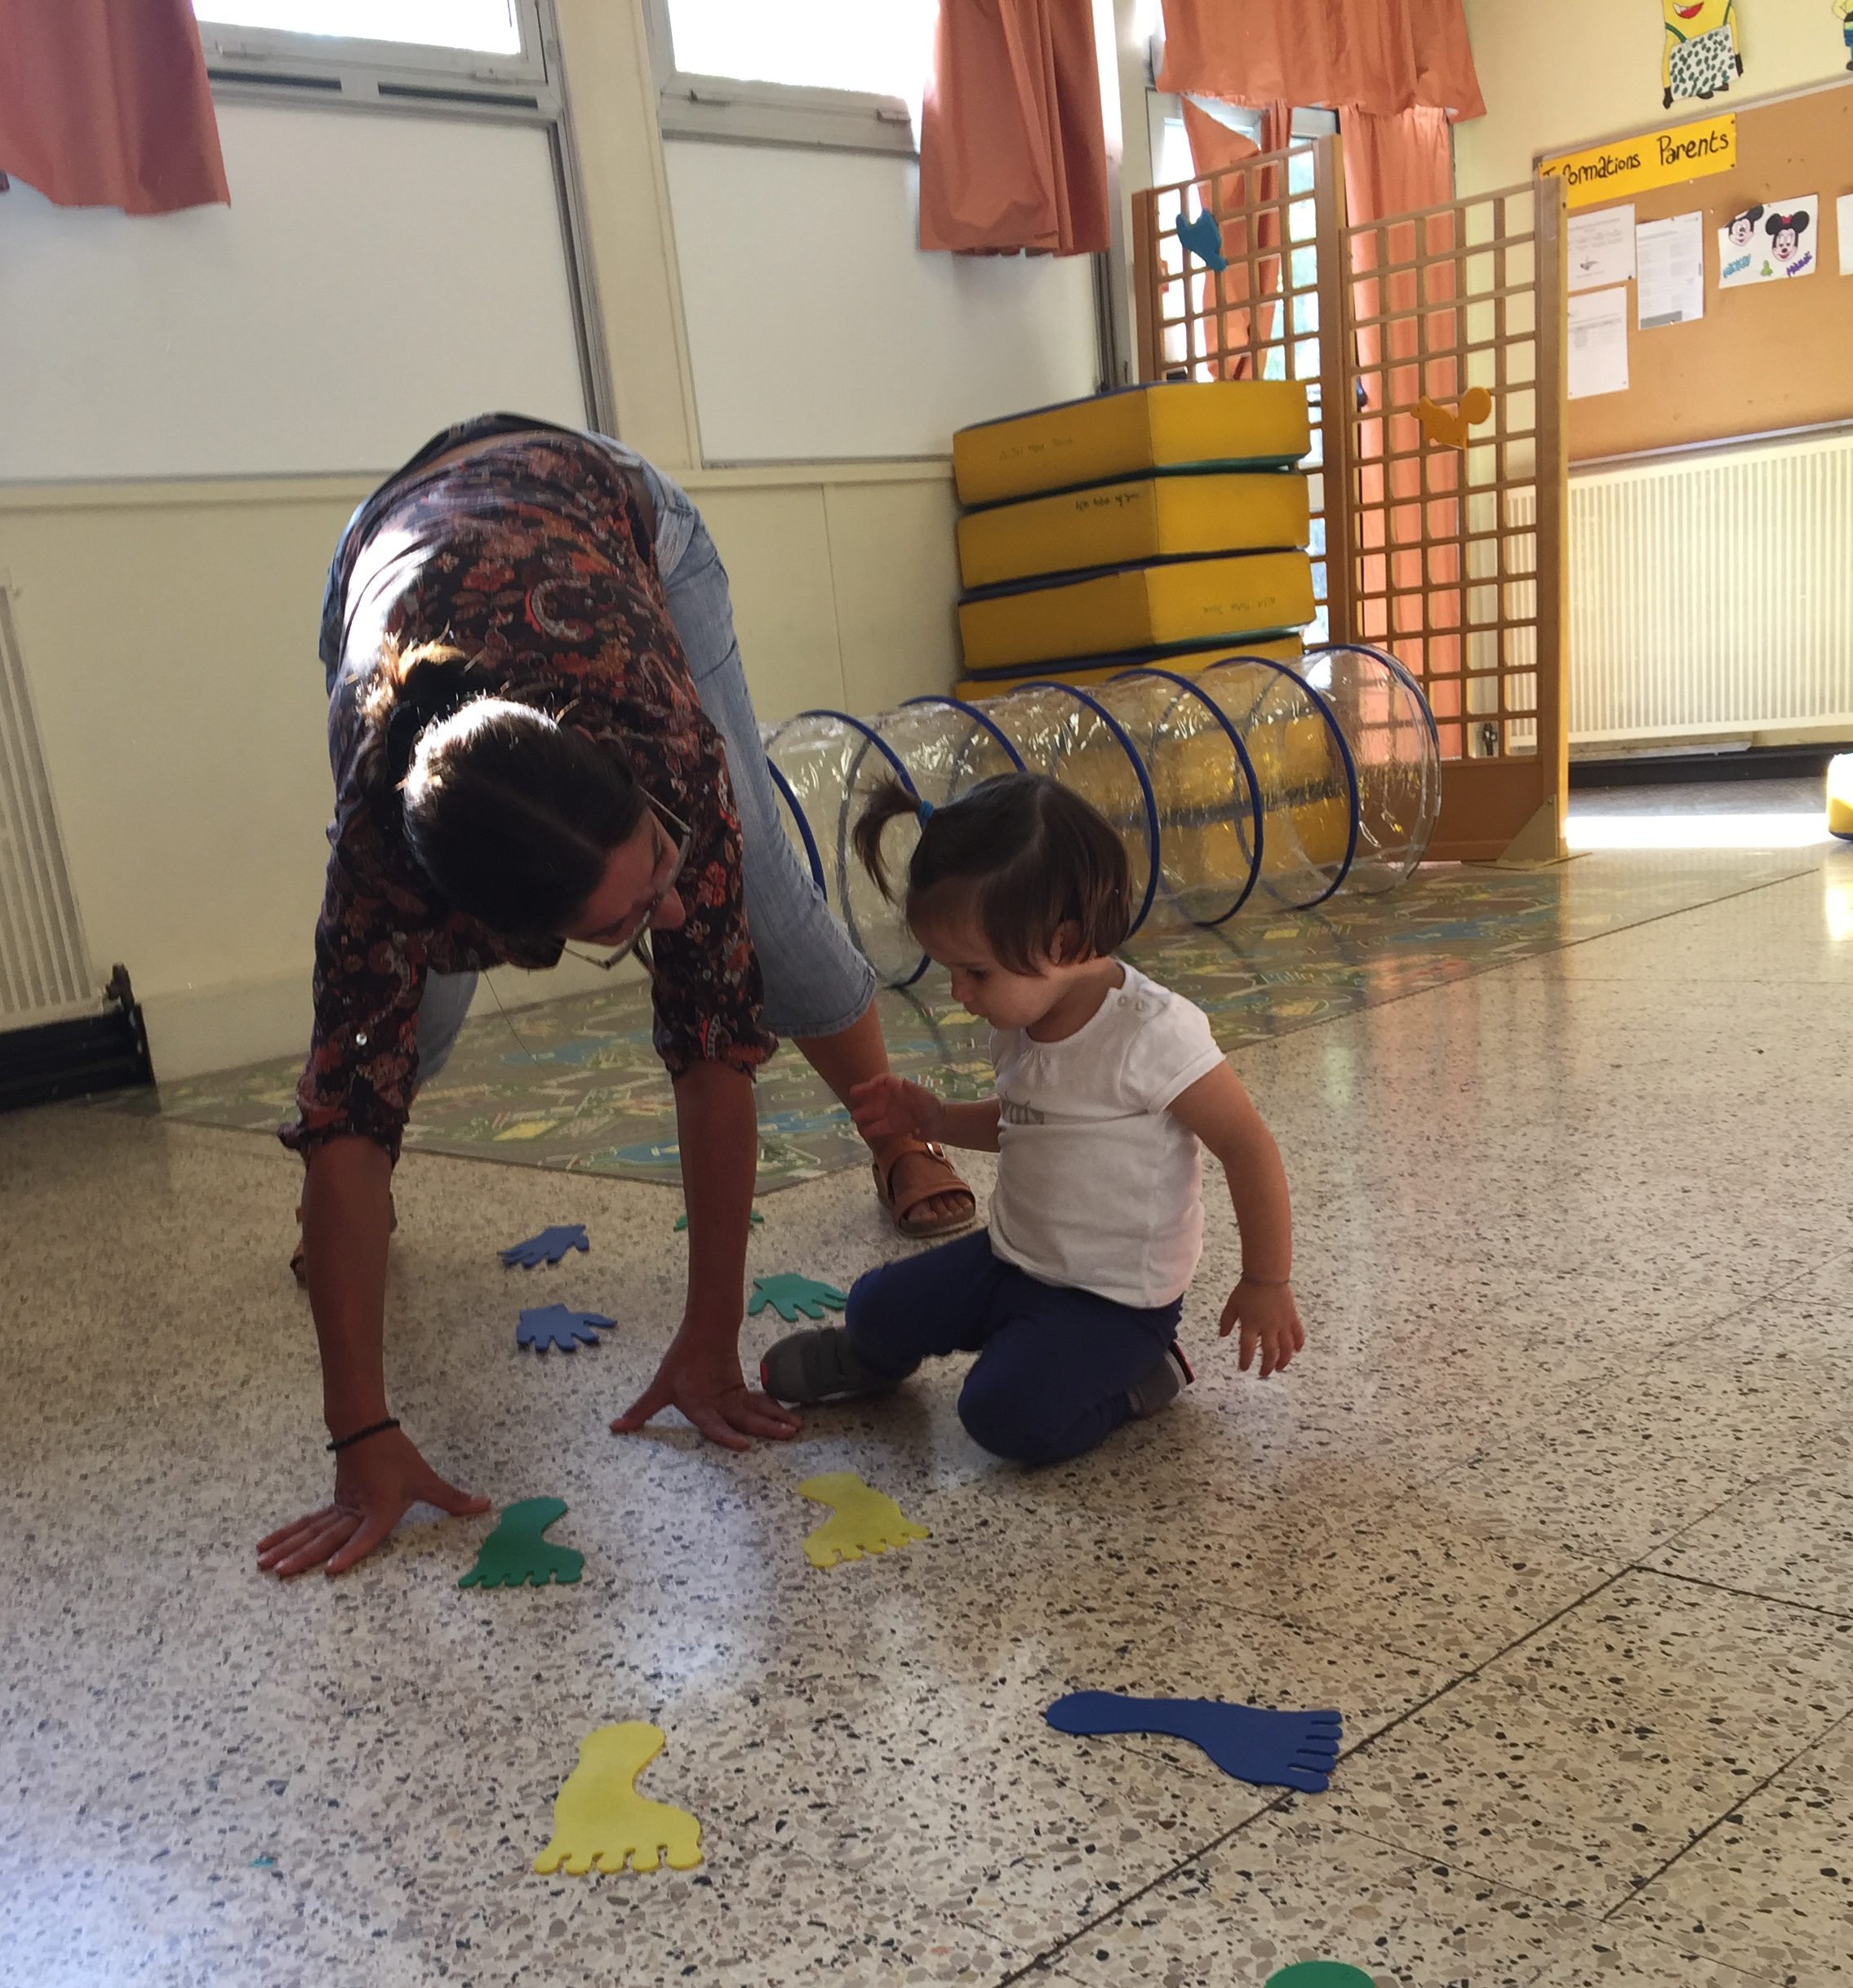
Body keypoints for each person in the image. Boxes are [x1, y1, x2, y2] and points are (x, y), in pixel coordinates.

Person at [257, 415, 975, 1582]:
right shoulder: (380, 879)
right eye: (623, 926)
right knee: (400, 1030)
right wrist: (360, 1433)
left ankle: (892, 1133)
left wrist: (709, 1338)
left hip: (608, 510)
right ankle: (349, 1236)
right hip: (381, 555)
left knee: (761, 906)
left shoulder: (663, 741)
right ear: (510, 934)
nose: (670, 913)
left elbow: (711, 1050)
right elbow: (344, 1116)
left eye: (655, 867)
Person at [758, 772, 1304, 1466]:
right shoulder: (1019, 1023)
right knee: (873, 1304)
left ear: (1063, 942)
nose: (958, 992)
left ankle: (1143, 1379)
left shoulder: (1151, 1033)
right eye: (950, 970)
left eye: (976, 972)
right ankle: (872, 1359)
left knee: (1001, 1416)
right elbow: (1025, 1124)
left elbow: (1247, 1145)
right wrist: (934, 1119)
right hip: (1012, 1260)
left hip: (1115, 1304)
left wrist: (1266, 1282)